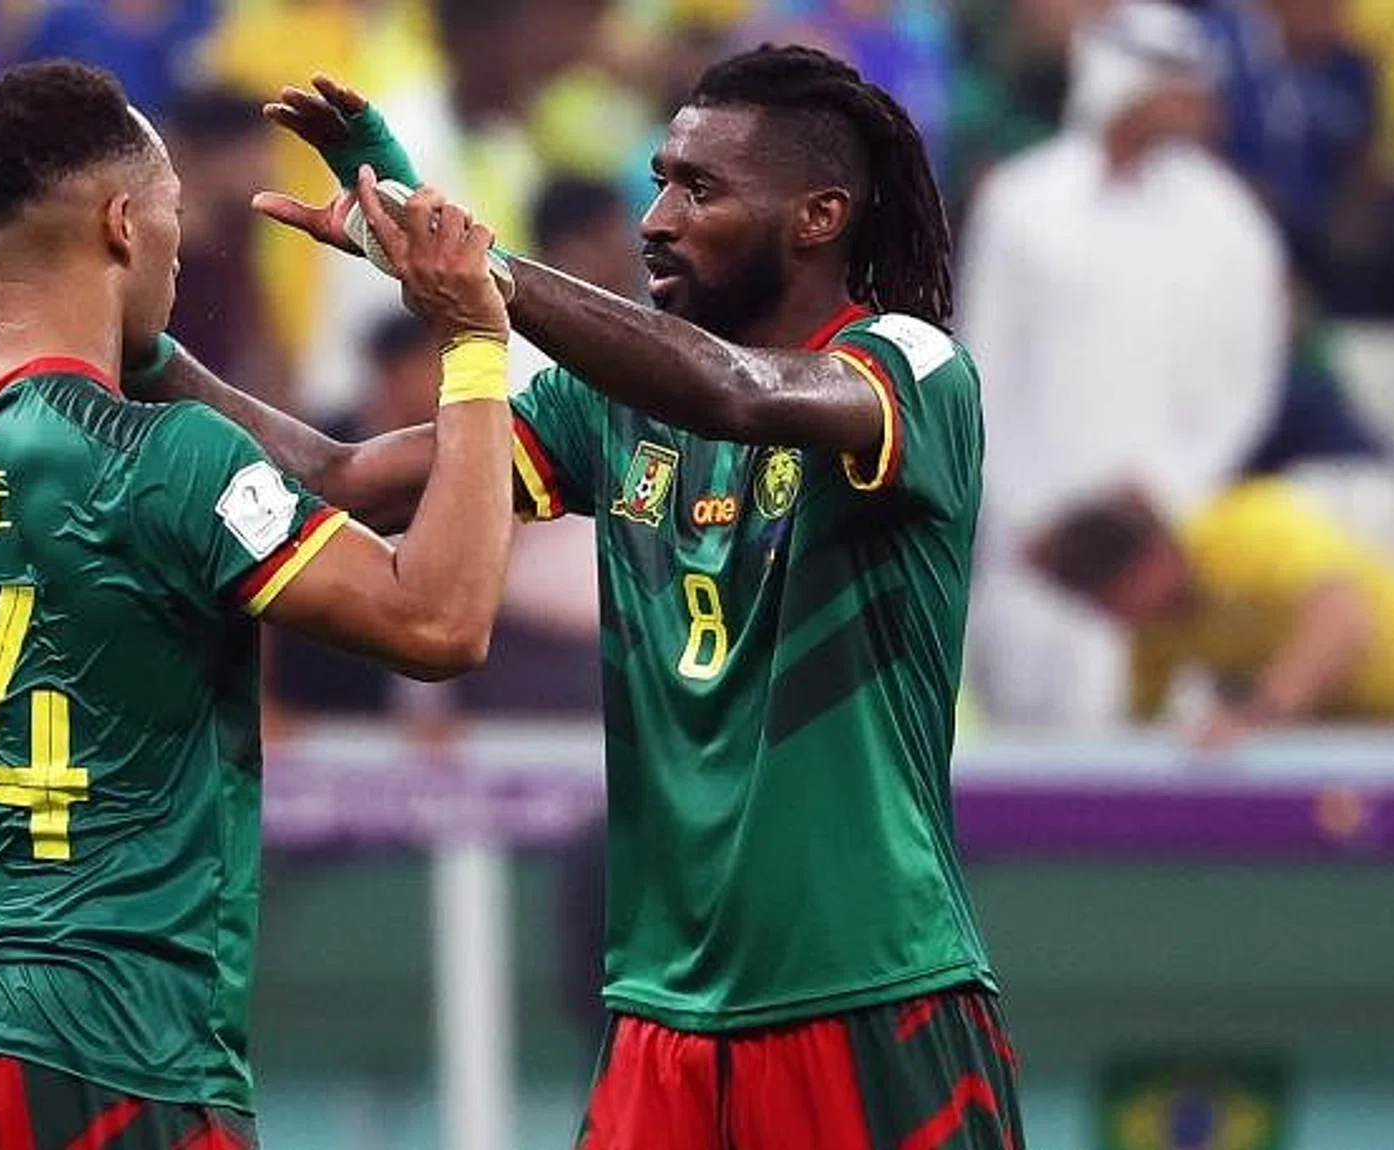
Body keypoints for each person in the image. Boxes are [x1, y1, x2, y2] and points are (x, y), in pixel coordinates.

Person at [78, 47, 1020, 1148]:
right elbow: (332, 480)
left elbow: (737, 391)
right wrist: (127, 338)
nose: (657, 217)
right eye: (659, 180)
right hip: (658, 1020)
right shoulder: (605, 408)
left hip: (873, 997)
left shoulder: (909, 364)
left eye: (699, 190)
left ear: (819, 216)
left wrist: (482, 274)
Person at [0, 60, 518, 1149]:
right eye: (169, 216)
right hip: (110, 1040)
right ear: (120, 222)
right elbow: (439, 621)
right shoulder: (171, 463)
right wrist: (475, 342)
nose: (180, 243)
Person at [958, 0, 1288, 730]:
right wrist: (1026, 513)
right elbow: (981, 368)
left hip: (1164, 546)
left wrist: (1171, 489)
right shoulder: (1021, 204)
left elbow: (1248, 383)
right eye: (1174, 81)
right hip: (1031, 546)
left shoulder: (1229, 222)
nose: (1194, 101)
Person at [1031, 479, 1394, 748]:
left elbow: (1346, 621)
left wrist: (1257, 715)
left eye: (1111, 599)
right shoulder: (1155, 633)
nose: (1113, 618)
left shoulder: (1248, 528)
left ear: (1152, 558)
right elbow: (1140, 735)